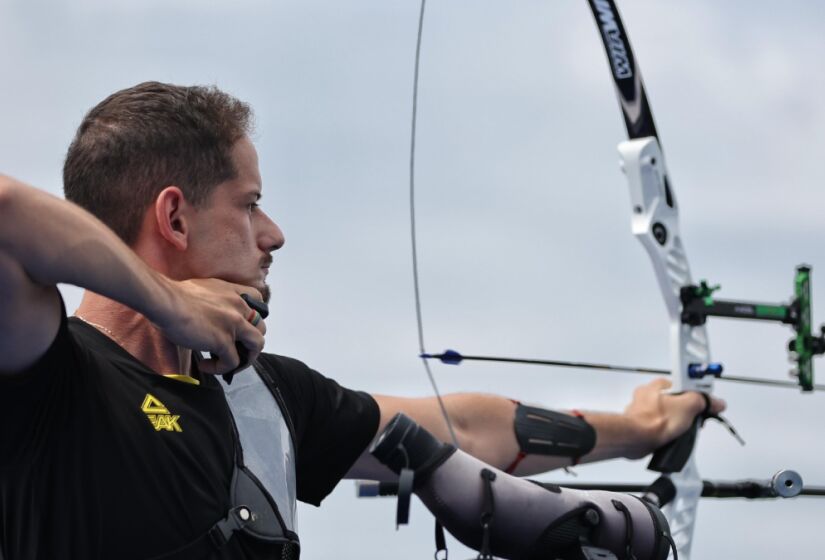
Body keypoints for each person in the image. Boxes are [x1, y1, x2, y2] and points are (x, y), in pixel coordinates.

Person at [0, 82, 724, 560]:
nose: (273, 234)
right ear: (175, 216)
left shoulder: (266, 398)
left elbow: (462, 429)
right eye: (249, 204)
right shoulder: (51, 372)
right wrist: (171, 301)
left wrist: (643, 428)